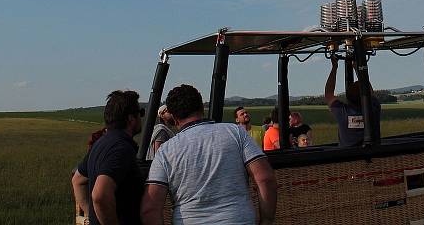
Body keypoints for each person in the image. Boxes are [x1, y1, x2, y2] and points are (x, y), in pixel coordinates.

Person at [140, 84, 277, 225]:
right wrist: (267, 220)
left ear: (174, 118)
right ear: (202, 108)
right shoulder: (235, 133)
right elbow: (265, 179)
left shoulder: (165, 151)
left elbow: (150, 209)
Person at [72, 90, 145, 225]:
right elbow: (100, 195)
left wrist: (90, 214)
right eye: (140, 113)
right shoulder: (121, 148)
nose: (141, 118)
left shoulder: (100, 143)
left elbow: (78, 180)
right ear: (130, 118)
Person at [325, 56, 381, 147]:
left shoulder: (343, 112)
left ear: (348, 98)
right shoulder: (374, 108)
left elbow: (328, 93)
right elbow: (369, 91)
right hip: (373, 155)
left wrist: (334, 67)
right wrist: (357, 68)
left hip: (347, 158)